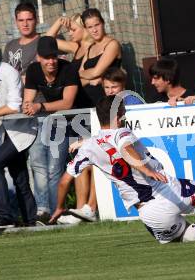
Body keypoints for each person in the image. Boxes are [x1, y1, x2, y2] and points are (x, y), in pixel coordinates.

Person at [49, 95, 195, 243]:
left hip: (147, 215)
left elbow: (63, 182)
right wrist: (144, 168)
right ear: (119, 115)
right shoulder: (122, 131)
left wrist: (60, 207)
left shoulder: (89, 146)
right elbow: (124, 148)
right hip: (165, 191)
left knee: (183, 236)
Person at [58, 68, 144, 224]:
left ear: (123, 86)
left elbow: (122, 133)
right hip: (114, 150)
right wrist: (85, 143)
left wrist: (86, 143)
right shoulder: (105, 104)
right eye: (107, 87)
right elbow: (104, 135)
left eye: (114, 87)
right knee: (84, 162)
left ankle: (90, 208)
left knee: (96, 161)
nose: (110, 91)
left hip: (129, 150)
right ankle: (81, 210)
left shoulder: (132, 101)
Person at [23, 36, 79, 219]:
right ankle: (43, 210)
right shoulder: (33, 70)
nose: (51, 61)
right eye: (46, 57)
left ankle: (57, 210)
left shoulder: (69, 69)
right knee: (38, 163)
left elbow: (68, 103)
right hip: (47, 121)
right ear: (38, 57)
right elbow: (28, 100)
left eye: (54, 56)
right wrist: (28, 106)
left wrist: (40, 107)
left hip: (73, 120)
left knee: (55, 166)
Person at [0, 42, 37, 229]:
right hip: (3, 130)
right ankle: (30, 220)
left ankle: (4, 216)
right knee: (19, 176)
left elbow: (14, 107)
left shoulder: (8, 72)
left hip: (22, 130)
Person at [46, 13, 94, 108]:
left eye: (73, 30)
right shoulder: (76, 47)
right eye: (68, 30)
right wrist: (60, 21)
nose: (69, 33)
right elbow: (47, 41)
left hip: (90, 102)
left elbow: (84, 77)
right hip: (78, 101)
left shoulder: (93, 48)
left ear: (85, 29)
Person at [79, 8, 122, 107]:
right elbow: (78, 79)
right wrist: (90, 80)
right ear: (86, 29)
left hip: (107, 103)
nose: (94, 30)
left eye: (97, 25)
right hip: (86, 102)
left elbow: (96, 72)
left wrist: (84, 74)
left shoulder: (112, 44)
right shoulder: (90, 48)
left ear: (103, 23)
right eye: (90, 27)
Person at [2, 2, 40, 81]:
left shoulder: (42, 43)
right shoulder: (10, 45)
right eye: (21, 20)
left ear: (36, 20)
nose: (25, 24)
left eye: (29, 19)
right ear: (16, 22)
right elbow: (3, 74)